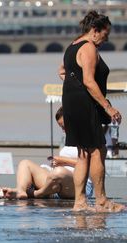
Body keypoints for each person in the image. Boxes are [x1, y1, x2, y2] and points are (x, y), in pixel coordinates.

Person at [59, 10, 124, 212]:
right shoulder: (88, 48)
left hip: (72, 102)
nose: (106, 39)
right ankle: (101, 201)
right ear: (94, 31)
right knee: (97, 150)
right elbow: (88, 80)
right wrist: (108, 106)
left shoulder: (73, 46)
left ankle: (80, 202)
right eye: (104, 35)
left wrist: (73, 86)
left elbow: (62, 71)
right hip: (85, 105)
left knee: (83, 154)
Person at [2, 107, 93, 200]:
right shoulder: (68, 139)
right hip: (58, 183)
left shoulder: (87, 138)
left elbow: (91, 163)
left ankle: (37, 193)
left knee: (59, 172)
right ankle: (20, 191)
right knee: (25, 163)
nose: (63, 130)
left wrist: (63, 161)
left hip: (81, 185)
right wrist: (56, 163)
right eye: (61, 127)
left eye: (64, 126)